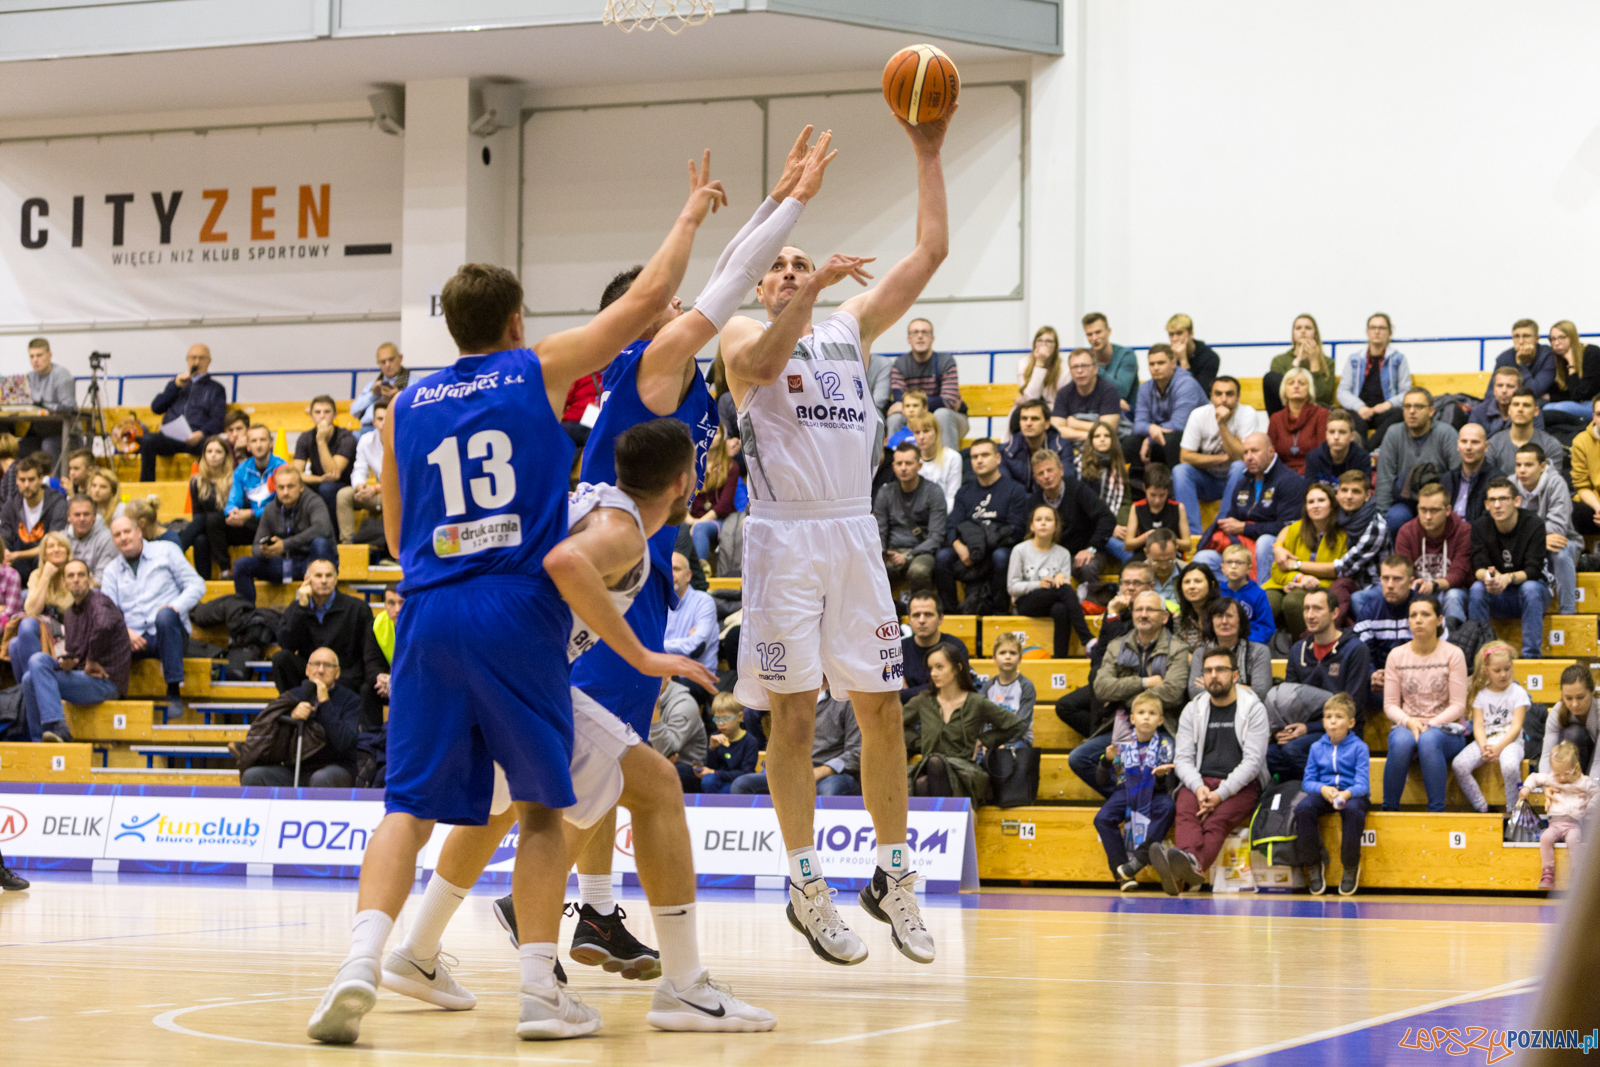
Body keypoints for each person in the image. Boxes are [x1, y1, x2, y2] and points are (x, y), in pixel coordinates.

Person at [308, 152, 750, 1044]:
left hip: (426, 612)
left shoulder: (402, 407)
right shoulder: (534, 369)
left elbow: (393, 534)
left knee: (407, 809)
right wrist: (691, 214)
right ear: (515, 320)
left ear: (449, 325)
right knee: (544, 808)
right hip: (513, 605)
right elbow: (645, 301)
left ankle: (361, 959)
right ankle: (543, 992)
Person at [714, 109, 955, 970]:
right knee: (793, 714)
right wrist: (812, 290)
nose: (788, 270)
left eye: (800, 263)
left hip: (854, 532)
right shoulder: (741, 335)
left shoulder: (848, 326)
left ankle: (894, 875)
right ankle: (805, 881)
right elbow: (765, 364)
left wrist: (927, 150)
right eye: (777, 266)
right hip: (783, 541)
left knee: (882, 706)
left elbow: (930, 253)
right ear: (759, 286)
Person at [1150, 644, 1269, 896]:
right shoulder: (1193, 709)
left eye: (1220, 670)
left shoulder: (1253, 708)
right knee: (1185, 810)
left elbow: (1253, 762)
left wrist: (1219, 794)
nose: (1214, 675)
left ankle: (1181, 874)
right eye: (1208, 670)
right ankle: (1190, 868)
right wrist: (1198, 787)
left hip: (1241, 786)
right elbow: (1182, 758)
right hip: (1200, 781)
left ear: (1235, 676)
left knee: (1215, 821)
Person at [1071, 591, 1192, 795]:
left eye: (1150, 610)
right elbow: (1101, 688)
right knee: (1079, 758)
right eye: (1138, 610)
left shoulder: (1178, 649)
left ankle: (1148, 801)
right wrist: (1145, 682)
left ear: (1164, 617)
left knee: (1170, 758)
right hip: (1122, 725)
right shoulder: (1117, 645)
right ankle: (1125, 797)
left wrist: (1124, 693)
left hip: (1163, 726)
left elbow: (1172, 693)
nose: (1143, 614)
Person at [11, 559, 128, 743]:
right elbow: (74, 655)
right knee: (34, 667)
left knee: (33, 677)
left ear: (90, 580)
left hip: (106, 681)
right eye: (71, 576)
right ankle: (40, 740)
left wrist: (91, 660)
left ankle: (56, 729)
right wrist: (66, 662)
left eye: (81, 575)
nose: (76, 579)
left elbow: (104, 625)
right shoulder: (70, 614)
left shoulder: (100, 601)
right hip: (81, 677)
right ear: (64, 583)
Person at [100, 515, 205, 716]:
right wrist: (125, 632)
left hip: (170, 632)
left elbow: (197, 585)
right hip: (134, 637)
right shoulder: (111, 570)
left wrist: (175, 607)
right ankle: (114, 699)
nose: (123, 537)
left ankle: (173, 691)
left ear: (138, 532)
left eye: (127, 531)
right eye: (117, 535)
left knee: (164, 616)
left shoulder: (166, 551)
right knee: (105, 632)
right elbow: (107, 610)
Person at [1264, 588, 1371, 780]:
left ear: (1335, 613)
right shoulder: (1298, 650)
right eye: (1306, 609)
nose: (1310, 615)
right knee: (1270, 753)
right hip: (1303, 730)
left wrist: (1309, 728)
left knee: (1292, 750)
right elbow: (1289, 699)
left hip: (1342, 730)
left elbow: (1352, 706)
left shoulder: (1355, 649)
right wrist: (1283, 731)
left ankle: (1328, 787)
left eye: (1317, 609)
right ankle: (1300, 791)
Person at [902, 642, 1026, 800]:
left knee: (927, 777)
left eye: (940, 667)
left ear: (957, 668)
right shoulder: (923, 700)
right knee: (924, 778)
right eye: (931, 668)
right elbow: (896, 724)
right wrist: (918, 742)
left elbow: (1015, 725)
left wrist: (984, 740)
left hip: (964, 772)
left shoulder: (976, 702)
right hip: (930, 767)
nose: (933, 673)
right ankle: (950, 814)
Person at [1380, 595, 1469, 812]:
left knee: (1429, 739)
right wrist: (1410, 722)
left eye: (1425, 614)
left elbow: (1458, 706)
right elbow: (1390, 704)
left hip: (1447, 729)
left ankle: (1436, 813)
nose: (1418, 620)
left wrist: (1430, 725)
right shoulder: (1396, 656)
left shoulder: (1453, 654)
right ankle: (1389, 811)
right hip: (1408, 725)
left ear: (1439, 620)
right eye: (1413, 615)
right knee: (1401, 742)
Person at [1052, 562, 1154, 737]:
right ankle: (1105, 736)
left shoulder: (1152, 613)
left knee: (1098, 679)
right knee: (1066, 705)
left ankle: (1097, 738)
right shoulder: (1115, 609)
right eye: (1126, 583)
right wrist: (1101, 677)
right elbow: (1100, 650)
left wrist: (1113, 614)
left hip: (1137, 679)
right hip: (1109, 678)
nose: (1130, 588)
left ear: (1150, 587)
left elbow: (1124, 653)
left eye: (1137, 583)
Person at [240, 647, 363, 787]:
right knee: (253, 776)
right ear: (307, 670)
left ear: (337, 672)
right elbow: (269, 726)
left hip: (336, 768)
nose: (321, 670)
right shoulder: (293, 696)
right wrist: (291, 716)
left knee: (320, 779)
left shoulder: (351, 700)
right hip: (297, 769)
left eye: (328, 665)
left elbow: (344, 743)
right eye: (316, 664)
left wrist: (324, 701)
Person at [1194, 432, 1305, 584]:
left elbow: (1287, 527)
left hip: (1275, 547)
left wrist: (1244, 528)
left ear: (1271, 452)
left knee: (1265, 542)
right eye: (1245, 452)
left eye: (1255, 451)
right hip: (1243, 548)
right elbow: (1233, 518)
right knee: (1203, 558)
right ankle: (1236, 593)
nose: (1249, 457)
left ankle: (1262, 592)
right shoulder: (1242, 483)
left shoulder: (1290, 481)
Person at [934, 438, 1029, 613]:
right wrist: (959, 546)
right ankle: (950, 613)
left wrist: (982, 547)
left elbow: (1015, 530)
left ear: (998, 458)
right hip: (969, 548)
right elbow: (952, 525)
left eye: (985, 455)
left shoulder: (1015, 490)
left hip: (997, 548)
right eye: (974, 456)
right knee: (943, 557)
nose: (979, 460)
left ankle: (1000, 613)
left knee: (1001, 557)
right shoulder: (964, 491)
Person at [1094, 690, 1176, 890]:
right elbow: (1101, 780)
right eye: (1141, 713)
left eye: (1152, 713)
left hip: (1153, 791)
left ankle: (1139, 859)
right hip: (1126, 789)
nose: (1146, 717)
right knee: (1102, 818)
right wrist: (1106, 761)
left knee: (1168, 807)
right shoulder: (1121, 743)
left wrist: (1160, 777)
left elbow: (1165, 786)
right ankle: (1122, 873)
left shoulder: (1166, 744)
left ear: (1160, 720)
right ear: (1132, 719)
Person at [1291, 693, 1369, 896]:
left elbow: (1363, 784)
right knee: (1303, 809)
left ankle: (1350, 866)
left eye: (1339, 716)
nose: (1332, 721)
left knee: (1353, 812)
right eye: (1328, 717)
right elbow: (1308, 782)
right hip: (1325, 794)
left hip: (1351, 795)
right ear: (1323, 722)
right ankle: (1313, 864)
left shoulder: (1360, 747)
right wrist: (1323, 789)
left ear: (1351, 723)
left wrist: (1346, 794)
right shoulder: (1316, 747)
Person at [732, 683, 862, 797]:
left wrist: (821, 771)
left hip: (832, 775)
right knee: (742, 784)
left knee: (830, 788)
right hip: (793, 771)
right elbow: (781, 742)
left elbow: (856, 751)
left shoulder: (846, 699)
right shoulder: (790, 697)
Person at [1469, 478, 1550, 659]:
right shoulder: (1480, 526)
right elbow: (1478, 568)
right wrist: (1490, 577)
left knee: (1530, 588)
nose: (1497, 505)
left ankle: (1531, 658)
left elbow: (1533, 570)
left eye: (1503, 499)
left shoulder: (1534, 524)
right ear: (1486, 505)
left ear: (1516, 501)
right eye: (1492, 500)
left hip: (1531, 593)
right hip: (1498, 593)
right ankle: (1481, 657)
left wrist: (1507, 578)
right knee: (1477, 589)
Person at [232, 465, 337, 605]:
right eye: (281, 487)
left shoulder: (314, 502)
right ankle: (246, 613)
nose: (285, 492)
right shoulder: (270, 509)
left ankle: (328, 606)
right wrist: (267, 550)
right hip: (284, 564)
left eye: (290, 486)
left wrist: (285, 545)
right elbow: (255, 548)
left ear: (301, 487)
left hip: (311, 563)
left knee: (320, 543)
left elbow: (322, 529)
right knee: (241, 565)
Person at [1173, 376, 1259, 539]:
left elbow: (1244, 459)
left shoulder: (1247, 414)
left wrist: (1222, 424)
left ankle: (1220, 528)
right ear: (1211, 396)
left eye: (1229, 394)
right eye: (1218, 394)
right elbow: (1185, 457)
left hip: (1238, 482)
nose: (1223, 399)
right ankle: (1192, 534)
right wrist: (1224, 457)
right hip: (1207, 480)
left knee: (1239, 467)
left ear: (1238, 397)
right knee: (1180, 471)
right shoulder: (1199, 414)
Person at [1451, 641, 1528, 818]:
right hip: (1486, 742)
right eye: (1497, 670)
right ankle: (1482, 807)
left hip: (1510, 742)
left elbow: (1516, 727)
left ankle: (1514, 811)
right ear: (1487, 670)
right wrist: (1484, 746)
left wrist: (1499, 748)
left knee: (1509, 766)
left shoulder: (1518, 693)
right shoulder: (1481, 695)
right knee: (1459, 764)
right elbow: (1478, 725)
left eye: (1507, 669)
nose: (1503, 674)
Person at [273, 557, 369, 694]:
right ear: (307, 579)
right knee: (280, 658)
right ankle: (293, 704)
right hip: (308, 675)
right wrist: (302, 608)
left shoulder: (357, 608)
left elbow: (366, 653)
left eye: (328, 576)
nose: (324, 581)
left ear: (336, 579)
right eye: (318, 576)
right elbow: (286, 644)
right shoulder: (297, 608)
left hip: (343, 678)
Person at [1262, 483, 1346, 636]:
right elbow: (1276, 570)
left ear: (1332, 504)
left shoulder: (1343, 535)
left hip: (1321, 588)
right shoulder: (1295, 529)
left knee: (1293, 602)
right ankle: (1261, 647)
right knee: (1266, 601)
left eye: (1321, 500)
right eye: (1311, 502)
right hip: (1285, 583)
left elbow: (1340, 574)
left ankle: (1302, 645)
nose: (1315, 506)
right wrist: (1300, 578)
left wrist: (1309, 583)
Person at [1008, 504, 1091, 657]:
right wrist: (1037, 584)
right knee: (1064, 590)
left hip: (1053, 601)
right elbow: (1012, 587)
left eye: (1048, 520)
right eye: (1039, 520)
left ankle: (1060, 660)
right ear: (1032, 526)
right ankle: (1087, 639)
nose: (1043, 523)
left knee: (1061, 609)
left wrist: (1061, 577)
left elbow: (1064, 587)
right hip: (1027, 602)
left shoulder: (1063, 553)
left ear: (1056, 527)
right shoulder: (1020, 550)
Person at [1381, 484, 1469, 627]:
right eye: (1423, 510)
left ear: (1447, 510)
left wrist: (1433, 585)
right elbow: (1403, 571)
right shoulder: (1406, 532)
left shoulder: (1463, 531)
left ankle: (1455, 638)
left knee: (1453, 596)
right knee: (1363, 597)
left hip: (1449, 589)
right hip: (1417, 589)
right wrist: (1416, 584)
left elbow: (1459, 574)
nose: (1428, 516)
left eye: (1434, 510)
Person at [1374, 387, 1460, 535]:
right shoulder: (1394, 433)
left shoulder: (1446, 433)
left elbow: (1457, 476)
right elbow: (1385, 479)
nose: (1412, 411)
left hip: (1438, 502)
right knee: (1395, 518)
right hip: (1404, 502)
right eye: (1407, 406)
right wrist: (1382, 517)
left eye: (1418, 406)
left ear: (1431, 411)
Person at [1027, 448, 1116, 589]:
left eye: (1050, 470)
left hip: (1084, 552)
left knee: (1087, 566)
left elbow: (1106, 517)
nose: (1046, 476)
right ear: (1036, 479)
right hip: (1051, 556)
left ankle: (1092, 601)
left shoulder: (1078, 489)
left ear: (1061, 470)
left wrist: (1091, 548)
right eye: (1041, 473)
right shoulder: (1034, 502)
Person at [141, 344, 226, 481]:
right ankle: (146, 486)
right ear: (187, 360)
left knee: (212, 446)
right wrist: (175, 387)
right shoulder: (177, 384)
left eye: (201, 358)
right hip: (171, 437)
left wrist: (201, 433)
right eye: (193, 358)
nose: (196, 362)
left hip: (197, 438)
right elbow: (156, 408)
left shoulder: (216, 389)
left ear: (209, 361)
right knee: (147, 440)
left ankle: (204, 485)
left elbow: (218, 419)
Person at [1519, 742, 1597, 890]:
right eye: (1557, 774)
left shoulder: (1583, 782)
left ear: (1575, 767)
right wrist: (1527, 788)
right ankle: (1547, 871)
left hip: (1573, 824)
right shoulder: (1552, 779)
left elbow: (1597, 791)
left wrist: (1591, 805)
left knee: (1574, 840)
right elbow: (1534, 777)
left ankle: (1576, 873)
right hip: (1554, 824)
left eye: (1566, 774)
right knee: (1545, 838)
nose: (1561, 778)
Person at [1514, 442, 1581, 615]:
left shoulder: (1556, 483)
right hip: (1527, 543)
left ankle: (1568, 613)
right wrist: (1538, 540)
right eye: (1518, 465)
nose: (1522, 470)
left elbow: (1557, 528)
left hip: (1563, 541)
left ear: (1542, 466)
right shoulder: (1510, 485)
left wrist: (1526, 537)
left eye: (1528, 465)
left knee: (1560, 552)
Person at [875, 440, 946, 593]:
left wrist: (908, 555)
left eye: (908, 463)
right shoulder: (885, 493)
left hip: (921, 552)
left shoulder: (934, 492)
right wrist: (882, 551)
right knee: (875, 572)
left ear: (919, 466)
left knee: (918, 571)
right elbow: (880, 531)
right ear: (893, 466)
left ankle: (921, 607)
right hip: (893, 552)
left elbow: (936, 537)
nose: (903, 468)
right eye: (899, 463)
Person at [886, 318, 967, 448]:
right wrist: (917, 406)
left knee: (942, 414)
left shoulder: (946, 361)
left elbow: (949, 401)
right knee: (895, 418)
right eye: (915, 332)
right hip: (912, 419)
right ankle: (895, 459)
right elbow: (898, 400)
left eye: (925, 332)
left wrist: (913, 405)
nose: (920, 336)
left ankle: (948, 460)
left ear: (932, 338)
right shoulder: (900, 364)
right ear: (908, 339)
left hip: (950, 419)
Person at [1129, 343, 1205, 473]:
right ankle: (1139, 483)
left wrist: (1149, 439)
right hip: (1161, 436)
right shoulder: (1144, 388)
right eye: (1152, 364)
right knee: (1131, 441)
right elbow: (1139, 424)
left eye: (1161, 363)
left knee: (1171, 440)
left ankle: (1175, 482)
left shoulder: (1187, 385)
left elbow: (1179, 424)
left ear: (1173, 363)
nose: (1156, 368)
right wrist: (1151, 428)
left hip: (1195, 439)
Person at [1335, 312, 1410, 444]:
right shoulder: (1354, 359)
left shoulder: (1398, 359)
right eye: (1373, 327)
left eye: (1381, 328)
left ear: (1389, 332)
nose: (1377, 331)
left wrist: (1388, 404)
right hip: (1359, 410)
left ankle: (1366, 451)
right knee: (1349, 417)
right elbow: (1342, 391)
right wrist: (1360, 407)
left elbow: (1406, 392)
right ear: (1367, 331)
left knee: (1399, 414)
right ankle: (1365, 452)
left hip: (1384, 411)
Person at [1326, 471, 1386, 626]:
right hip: (1350, 581)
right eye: (1344, 490)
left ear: (1367, 496)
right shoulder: (1336, 515)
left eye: (1356, 491)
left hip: (1374, 585)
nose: (1349, 496)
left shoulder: (1376, 525)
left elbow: (1343, 568)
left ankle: (1363, 634)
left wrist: (1297, 565)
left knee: (1354, 597)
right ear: (1337, 493)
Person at [1184, 596, 1272, 699]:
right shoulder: (1201, 653)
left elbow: (1260, 694)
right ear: (1211, 622)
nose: (1224, 621)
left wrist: (1212, 686)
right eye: (1219, 616)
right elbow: (1195, 692)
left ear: (1240, 621)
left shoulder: (1258, 651)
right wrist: (1245, 688)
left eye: (1229, 616)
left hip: (1248, 708)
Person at [0, 456, 68, 586]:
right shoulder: (11, 504)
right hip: (17, 566)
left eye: (31, 480)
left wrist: (17, 555)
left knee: (46, 557)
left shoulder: (57, 503)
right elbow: (5, 537)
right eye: (22, 480)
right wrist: (6, 553)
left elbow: (54, 542)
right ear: (16, 480)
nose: (26, 485)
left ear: (41, 479)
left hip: (46, 564)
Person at [223, 424, 287, 559]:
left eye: (262, 440)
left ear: (270, 443)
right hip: (251, 524)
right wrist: (232, 512)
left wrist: (252, 513)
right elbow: (233, 500)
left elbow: (282, 506)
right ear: (248, 446)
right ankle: (225, 568)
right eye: (254, 441)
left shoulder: (281, 468)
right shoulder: (242, 470)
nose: (258, 445)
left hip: (276, 522)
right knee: (213, 521)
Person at [294, 395, 358, 517]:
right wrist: (319, 479)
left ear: (334, 415)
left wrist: (321, 441)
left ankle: (331, 529)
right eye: (317, 412)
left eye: (327, 412)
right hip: (319, 482)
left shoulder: (346, 437)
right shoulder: (305, 438)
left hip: (343, 485)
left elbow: (333, 474)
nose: (322, 416)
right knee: (294, 487)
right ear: (311, 416)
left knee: (327, 488)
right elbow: (296, 474)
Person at [1112, 463, 1190, 562]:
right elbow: (1128, 545)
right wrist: (1146, 537)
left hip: (1171, 556)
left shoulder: (1178, 507)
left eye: (1162, 495)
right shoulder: (1137, 507)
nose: (1157, 500)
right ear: (1144, 488)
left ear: (1168, 490)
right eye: (1153, 495)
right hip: (1144, 556)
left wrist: (1168, 539)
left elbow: (1188, 545)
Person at [1263, 313, 1337, 417]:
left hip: (1315, 413)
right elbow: (1283, 392)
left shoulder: (1328, 362)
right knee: (1270, 377)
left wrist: (1314, 361)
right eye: (1298, 328)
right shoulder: (1279, 360)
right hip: (1287, 410)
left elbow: (1321, 397)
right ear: (1293, 334)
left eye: (1308, 328)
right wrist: (1297, 361)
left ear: (1315, 334)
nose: (1303, 331)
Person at [334, 400, 386, 546]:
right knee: (344, 495)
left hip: (399, 495)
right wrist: (360, 487)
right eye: (380, 419)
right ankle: (348, 545)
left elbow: (402, 480)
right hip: (377, 493)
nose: (384, 423)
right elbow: (359, 469)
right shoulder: (366, 440)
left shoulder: (404, 440)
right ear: (374, 422)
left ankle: (394, 548)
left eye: (388, 418)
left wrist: (374, 489)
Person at [182, 434, 236, 577]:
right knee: (200, 540)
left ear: (226, 456)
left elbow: (233, 510)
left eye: (218, 451)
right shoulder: (196, 481)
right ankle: (204, 582)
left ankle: (177, 547)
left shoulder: (234, 479)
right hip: (207, 528)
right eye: (209, 451)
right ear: (204, 455)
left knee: (209, 518)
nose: (213, 455)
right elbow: (196, 514)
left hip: (230, 527)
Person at [1050, 347, 1121, 452]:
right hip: (1072, 445)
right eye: (1075, 367)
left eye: (1084, 366)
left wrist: (1074, 424)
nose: (1079, 371)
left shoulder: (1109, 390)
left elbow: (1108, 429)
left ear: (1095, 368)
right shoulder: (1063, 393)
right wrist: (1089, 436)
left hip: (1103, 447)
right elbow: (1055, 430)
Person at [1486, 389, 1566, 481]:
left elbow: (1552, 484)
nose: (1520, 409)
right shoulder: (1494, 443)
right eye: (1516, 405)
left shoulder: (1551, 445)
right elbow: (1488, 481)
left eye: (1526, 405)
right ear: (1509, 410)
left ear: (1536, 411)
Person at [686, 429, 739, 565]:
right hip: (691, 518)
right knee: (673, 527)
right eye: (707, 431)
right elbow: (680, 500)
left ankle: (702, 571)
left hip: (720, 520)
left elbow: (724, 505)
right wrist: (690, 520)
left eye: (716, 433)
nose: (710, 436)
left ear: (723, 437)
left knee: (700, 529)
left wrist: (698, 523)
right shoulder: (691, 465)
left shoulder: (731, 466)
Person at [664, 551, 718, 677]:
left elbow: (695, 646)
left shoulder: (703, 602)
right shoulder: (660, 602)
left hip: (696, 678)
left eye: (676, 569)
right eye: (668, 569)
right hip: (665, 674)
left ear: (688, 575)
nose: (671, 574)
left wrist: (657, 647)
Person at [694, 693, 761, 794]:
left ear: (740, 717)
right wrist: (712, 749)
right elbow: (711, 767)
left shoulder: (750, 741)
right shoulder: (715, 737)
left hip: (738, 782)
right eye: (717, 719)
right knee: (708, 780)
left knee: (731, 788)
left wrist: (715, 772)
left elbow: (746, 773)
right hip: (719, 780)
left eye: (725, 719)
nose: (721, 724)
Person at [22, 337, 77, 458]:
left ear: (49, 355)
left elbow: (69, 408)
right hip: (39, 431)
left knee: (48, 445)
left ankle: (55, 472)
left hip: (64, 433)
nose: (35, 360)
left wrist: (42, 403)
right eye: (31, 356)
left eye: (39, 355)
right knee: (20, 447)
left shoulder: (62, 376)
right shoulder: (30, 377)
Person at [1438, 421, 1501, 526]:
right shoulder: (1447, 479)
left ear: (1486, 446)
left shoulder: (1496, 480)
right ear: (1458, 445)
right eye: (1464, 441)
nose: (1468, 447)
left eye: (1475, 442)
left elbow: (1489, 521)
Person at [1266, 368, 1327, 476]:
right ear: (1284, 389)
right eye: (1291, 383)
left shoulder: (1321, 414)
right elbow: (1270, 455)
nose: (1296, 386)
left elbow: (1322, 453)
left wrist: (1299, 475)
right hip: (1282, 476)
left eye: (1301, 383)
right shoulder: (1276, 418)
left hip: (1312, 474)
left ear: (1309, 389)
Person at [652, 678, 708, 791]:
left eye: (653, 673)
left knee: (667, 772)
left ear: (668, 675)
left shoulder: (684, 704)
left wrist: (654, 712)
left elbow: (668, 750)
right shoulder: (638, 698)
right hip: (656, 759)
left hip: (691, 767)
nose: (648, 679)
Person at [1541, 666, 1599, 775]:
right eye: (1568, 698)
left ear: (1592, 691)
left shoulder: (1598, 711)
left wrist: (1590, 785)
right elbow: (1547, 755)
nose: (1575, 704)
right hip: (1571, 771)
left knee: (1576, 734)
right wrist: (1548, 782)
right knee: (1573, 733)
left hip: (1595, 763)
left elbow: (1598, 760)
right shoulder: (1557, 712)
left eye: (1580, 697)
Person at [1001, 398, 1067, 490]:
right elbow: (1008, 489)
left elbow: (1066, 482)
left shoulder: (1061, 447)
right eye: (1024, 419)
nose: (1028, 423)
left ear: (1047, 424)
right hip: (1020, 499)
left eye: (1034, 419)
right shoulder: (1007, 451)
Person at [1009, 326, 1064, 437]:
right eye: (1040, 341)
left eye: (1048, 341)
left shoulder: (1064, 369)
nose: (1043, 345)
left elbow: (1060, 402)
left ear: (1055, 346)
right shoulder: (1023, 363)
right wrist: (1040, 363)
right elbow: (1031, 399)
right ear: (1034, 344)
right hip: (1029, 410)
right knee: (1017, 416)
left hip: (1053, 412)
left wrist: (1024, 399)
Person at [1216, 544, 1275, 645]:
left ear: (1249, 568)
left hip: (1250, 643)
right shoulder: (1217, 593)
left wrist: (1245, 642)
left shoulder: (1258, 594)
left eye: (1239, 562)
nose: (1233, 566)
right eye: (1229, 562)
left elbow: (1266, 627)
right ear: (1223, 567)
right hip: (1222, 643)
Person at [981, 632, 1036, 744]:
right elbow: (982, 719)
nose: (1007, 657)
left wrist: (1002, 743)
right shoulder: (988, 686)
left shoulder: (1026, 686)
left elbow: (1022, 724)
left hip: (1019, 739)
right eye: (1002, 653)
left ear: (1020, 658)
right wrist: (987, 741)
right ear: (994, 658)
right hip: (993, 739)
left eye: (1013, 653)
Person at [900, 592, 954, 703]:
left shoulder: (954, 647)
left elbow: (950, 689)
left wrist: (906, 693)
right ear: (909, 620)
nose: (922, 620)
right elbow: (892, 694)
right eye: (916, 615)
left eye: (928, 614)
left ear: (940, 619)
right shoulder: (898, 650)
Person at [1081, 312, 1138, 415]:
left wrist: (1095, 368)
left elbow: (1122, 392)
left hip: (1124, 414)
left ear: (1108, 331)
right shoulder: (1084, 359)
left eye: (1098, 332)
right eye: (1089, 334)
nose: (1094, 338)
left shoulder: (1126, 355)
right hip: (1094, 411)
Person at [1542, 320, 1600, 420]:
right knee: (1544, 407)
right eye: (1553, 339)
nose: (1556, 343)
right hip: (1577, 404)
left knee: (1551, 409)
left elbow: (1579, 395)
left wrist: (1571, 366)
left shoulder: (1592, 353)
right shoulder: (1558, 358)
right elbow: (1566, 393)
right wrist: (1550, 397)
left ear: (1573, 337)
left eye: (1562, 337)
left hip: (1594, 404)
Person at [361, 587, 401, 732]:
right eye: (391, 603)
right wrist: (379, 677)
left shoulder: (424, 624)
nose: (397, 609)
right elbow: (372, 662)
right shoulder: (377, 624)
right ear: (384, 604)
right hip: (390, 683)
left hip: (417, 684)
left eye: (402, 602)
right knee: (368, 689)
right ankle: (371, 739)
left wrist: (394, 682)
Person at [1302, 408, 1370, 489]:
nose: (1336, 437)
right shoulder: (1313, 457)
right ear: (1326, 435)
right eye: (1332, 432)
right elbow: (1310, 491)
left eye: (1342, 432)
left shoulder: (1362, 458)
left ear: (1352, 436)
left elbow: (1362, 491)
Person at [349, 342, 409, 435]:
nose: (387, 365)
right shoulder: (372, 385)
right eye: (383, 362)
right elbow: (354, 411)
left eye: (391, 360)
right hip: (367, 429)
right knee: (351, 438)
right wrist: (373, 395)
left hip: (399, 428)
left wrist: (399, 396)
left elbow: (419, 411)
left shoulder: (415, 382)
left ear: (400, 358)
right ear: (378, 364)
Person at [910, 412, 963, 514]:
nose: (921, 437)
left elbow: (952, 497)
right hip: (915, 515)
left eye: (926, 431)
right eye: (917, 432)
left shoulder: (953, 458)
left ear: (936, 432)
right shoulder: (911, 459)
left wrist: (937, 517)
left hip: (943, 514)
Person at [1076, 419, 1127, 520]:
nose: (1102, 439)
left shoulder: (1118, 464)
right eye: (1097, 436)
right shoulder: (1080, 463)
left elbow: (1125, 500)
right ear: (1091, 440)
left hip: (1108, 516)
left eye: (1107, 436)